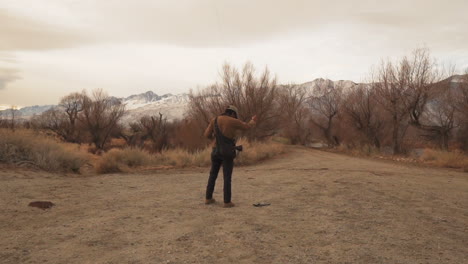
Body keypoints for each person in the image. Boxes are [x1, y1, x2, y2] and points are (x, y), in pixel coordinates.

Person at [204, 105, 257, 208]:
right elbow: (247, 127)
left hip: (215, 151)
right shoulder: (232, 121)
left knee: (212, 175)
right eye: (235, 115)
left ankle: (208, 198)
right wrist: (253, 120)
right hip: (227, 151)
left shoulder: (214, 120)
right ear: (233, 113)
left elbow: (206, 135)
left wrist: (215, 141)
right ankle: (227, 202)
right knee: (227, 177)